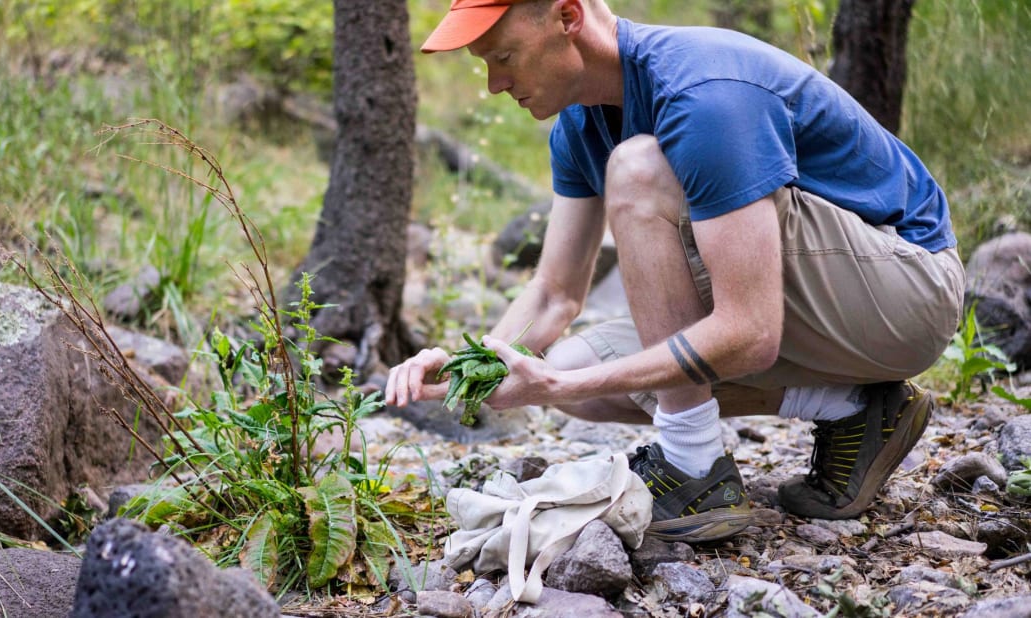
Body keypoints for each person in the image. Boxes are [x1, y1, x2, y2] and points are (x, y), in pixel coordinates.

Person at [386, 0, 965, 543]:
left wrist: (559, 387)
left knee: (638, 168)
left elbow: (749, 331)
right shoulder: (579, 126)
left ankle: (694, 470)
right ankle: (853, 408)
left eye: (504, 58)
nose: (495, 85)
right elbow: (553, 294)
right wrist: (476, 372)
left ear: (567, 16)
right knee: (574, 376)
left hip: (909, 292)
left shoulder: (701, 93)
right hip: (834, 303)